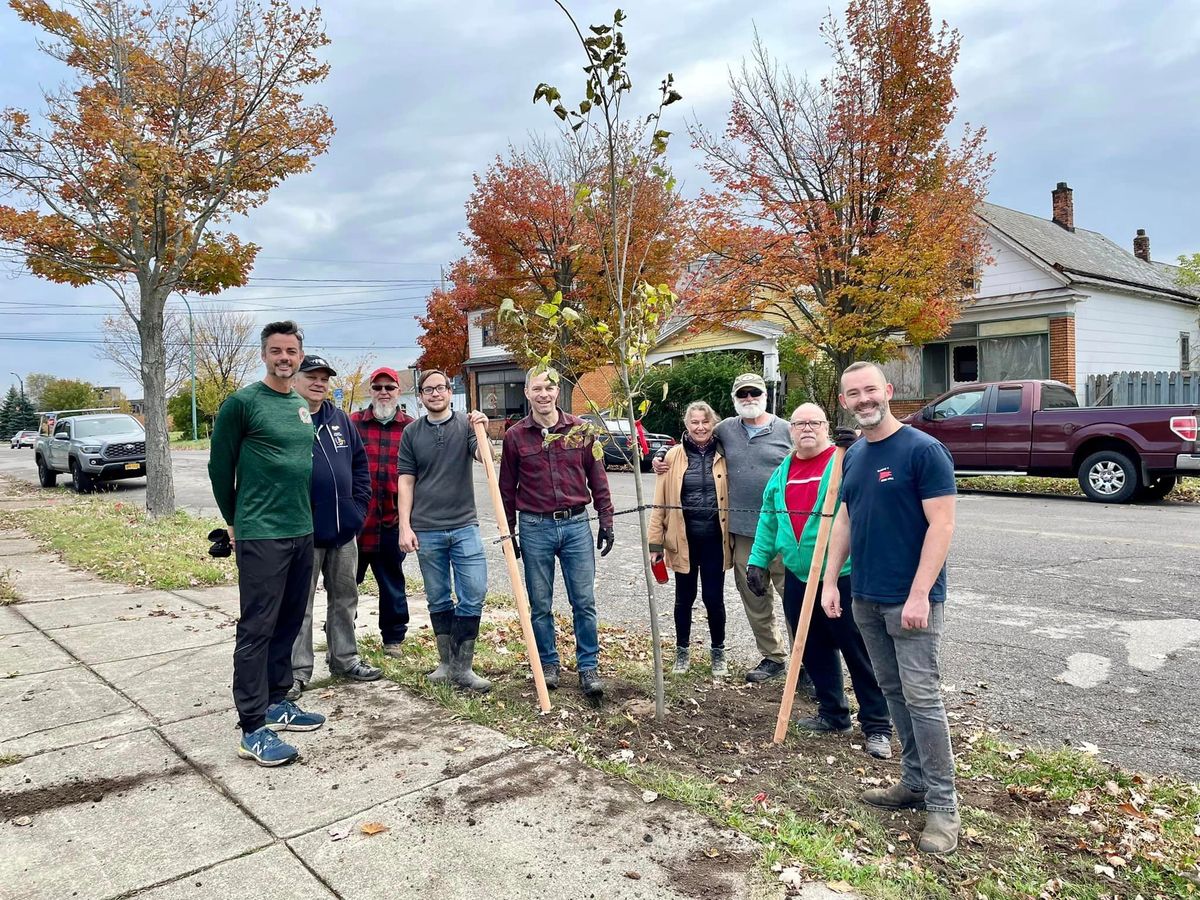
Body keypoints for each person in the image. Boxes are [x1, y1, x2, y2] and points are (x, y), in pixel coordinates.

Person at [821, 361, 959, 854]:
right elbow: (844, 519)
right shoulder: (853, 456)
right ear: (844, 401)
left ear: (889, 392)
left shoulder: (924, 450)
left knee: (923, 698)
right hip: (865, 596)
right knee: (894, 691)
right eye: (853, 393)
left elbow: (941, 526)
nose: (863, 399)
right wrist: (831, 580)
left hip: (911, 598)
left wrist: (921, 593)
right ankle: (913, 782)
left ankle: (944, 806)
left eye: (870, 390)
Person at [745, 403, 892, 759]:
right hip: (798, 574)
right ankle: (833, 713)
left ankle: (877, 725)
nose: (806, 428)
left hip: (840, 575)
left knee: (858, 651)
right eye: (799, 423)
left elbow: (873, 474)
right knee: (811, 647)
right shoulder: (782, 472)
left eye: (814, 422)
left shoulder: (843, 462)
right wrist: (757, 560)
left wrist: (855, 446)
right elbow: (768, 519)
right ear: (790, 430)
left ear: (825, 427)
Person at [208, 320, 326, 767]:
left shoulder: (299, 403)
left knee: (289, 619)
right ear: (264, 355)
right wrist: (233, 522)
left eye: (291, 352)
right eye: (276, 351)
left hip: (301, 529)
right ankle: (252, 726)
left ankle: (278, 701)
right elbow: (221, 469)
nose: (284, 358)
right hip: (261, 531)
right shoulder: (242, 404)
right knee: (257, 627)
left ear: (299, 356)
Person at [653, 372, 797, 685]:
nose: (749, 399)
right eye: (742, 395)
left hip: (786, 533)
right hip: (743, 534)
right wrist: (660, 456)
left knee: (794, 599)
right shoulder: (726, 430)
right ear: (734, 399)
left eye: (754, 393)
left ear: (765, 394)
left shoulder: (788, 429)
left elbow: (818, 453)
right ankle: (773, 657)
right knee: (755, 598)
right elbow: (690, 439)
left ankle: (807, 662)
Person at [498, 369, 615, 697]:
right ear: (527, 392)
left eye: (549, 388)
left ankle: (588, 667)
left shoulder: (581, 431)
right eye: (537, 388)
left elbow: (598, 477)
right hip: (535, 527)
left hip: (576, 525)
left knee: (584, 601)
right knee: (540, 604)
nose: (544, 394)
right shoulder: (515, 437)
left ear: (558, 391)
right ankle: (548, 663)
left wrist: (606, 520)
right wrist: (510, 533)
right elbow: (506, 489)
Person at [286, 355, 381, 701]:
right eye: (312, 376)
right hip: (303, 533)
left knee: (345, 598)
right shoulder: (287, 418)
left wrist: (357, 510)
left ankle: (344, 658)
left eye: (324, 378)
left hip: (344, 532)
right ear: (296, 379)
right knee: (301, 604)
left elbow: (359, 466)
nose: (319, 383)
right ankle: (297, 671)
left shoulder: (340, 419)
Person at [397, 369, 491, 690]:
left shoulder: (466, 424)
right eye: (428, 389)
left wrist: (483, 432)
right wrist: (405, 526)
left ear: (450, 392)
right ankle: (446, 665)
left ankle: (463, 667)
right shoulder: (411, 433)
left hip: (465, 526)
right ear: (421, 397)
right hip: (427, 530)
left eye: (441, 388)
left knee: (474, 592)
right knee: (438, 597)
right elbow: (406, 481)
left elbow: (484, 456)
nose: (435, 393)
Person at [647, 401, 732, 677]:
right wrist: (655, 543)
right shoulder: (671, 456)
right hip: (682, 540)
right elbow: (659, 502)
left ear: (713, 423)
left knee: (713, 598)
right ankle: (682, 651)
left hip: (714, 541)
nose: (700, 427)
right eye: (694, 422)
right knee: (684, 598)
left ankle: (718, 651)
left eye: (705, 422)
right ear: (686, 425)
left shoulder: (724, 453)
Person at [351, 367, 416, 657]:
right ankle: (341, 637)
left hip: (391, 521)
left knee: (392, 584)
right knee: (345, 585)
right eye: (378, 387)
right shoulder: (352, 424)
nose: (383, 392)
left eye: (389, 387)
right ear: (370, 391)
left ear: (398, 391)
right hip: (355, 523)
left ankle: (393, 639)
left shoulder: (411, 429)